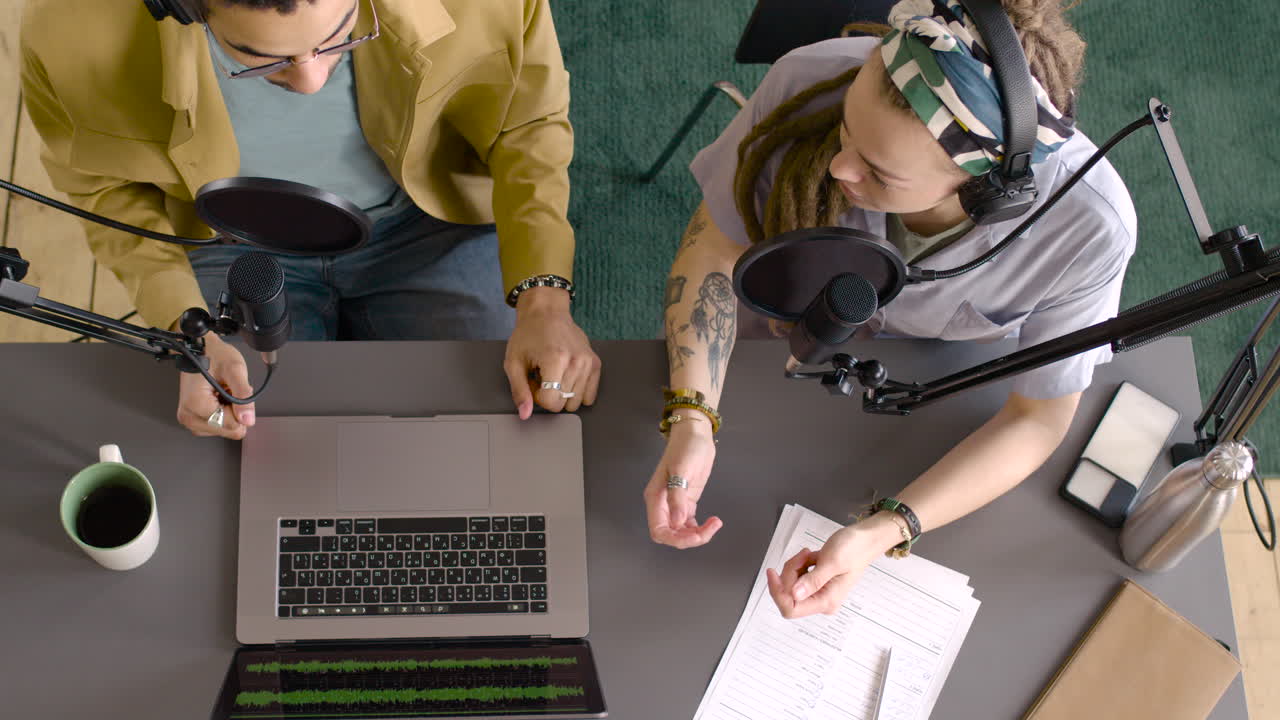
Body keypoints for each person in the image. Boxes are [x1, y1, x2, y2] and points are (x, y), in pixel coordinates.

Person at [647, 0, 1135, 618]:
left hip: (915, 401)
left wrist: (884, 530)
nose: (838, 166)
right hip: (758, 353)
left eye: (878, 172)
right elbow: (716, 247)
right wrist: (693, 416)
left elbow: (1038, 419)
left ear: (983, 191)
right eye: (846, 129)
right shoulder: (810, 79)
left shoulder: (1091, 227)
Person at [20, 0, 600, 440]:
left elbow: (528, 126)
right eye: (262, 58)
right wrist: (186, 325)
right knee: (239, 439)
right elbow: (104, 187)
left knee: (493, 418)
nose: (310, 80)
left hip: (428, 222)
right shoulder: (69, 33)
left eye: (340, 33)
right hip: (233, 243)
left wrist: (544, 301)